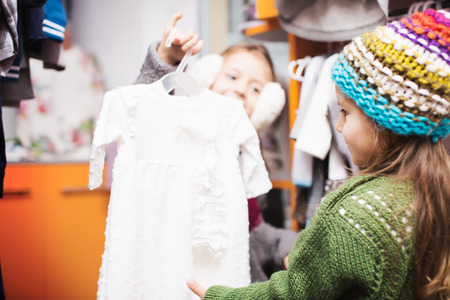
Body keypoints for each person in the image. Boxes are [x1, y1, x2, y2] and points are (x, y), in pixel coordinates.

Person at [187, 8, 450, 300]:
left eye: (345, 112)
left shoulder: (352, 215)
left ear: (381, 121)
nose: (337, 126)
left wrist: (220, 296)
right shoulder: (435, 193)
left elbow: (291, 293)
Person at [134, 12, 298, 283]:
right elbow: (145, 111)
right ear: (208, 76)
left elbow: (256, 232)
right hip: (170, 271)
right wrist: (165, 58)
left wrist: (293, 247)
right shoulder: (180, 128)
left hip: (229, 281)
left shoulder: (247, 163)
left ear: (267, 107)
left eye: (256, 89)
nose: (242, 89)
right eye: (232, 77)